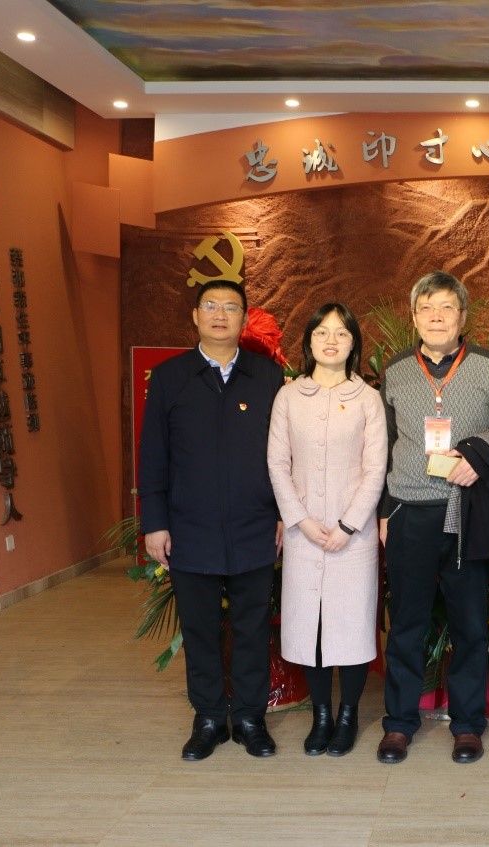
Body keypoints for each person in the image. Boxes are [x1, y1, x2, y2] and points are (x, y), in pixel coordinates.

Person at [138, 279, 286, 760]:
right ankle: (207, 718)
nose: (220, 315)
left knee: (252, 627)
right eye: (211, 306)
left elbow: (285, 455)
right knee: (200, 629)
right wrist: (154, 522)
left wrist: (283, 515)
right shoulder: (170, 377)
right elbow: (153, 455)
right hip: (190, 528)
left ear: (244, 319)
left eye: (231, 307)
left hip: (254, 525)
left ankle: (249, 718)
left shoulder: (267, 377)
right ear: (195, 316)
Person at [376, 270, 489, 765]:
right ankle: (399, 724)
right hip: (408, 512)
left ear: (462, 316)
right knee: (406, 623)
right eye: (427, 308)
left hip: (467, 512)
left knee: (471, 624)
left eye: (446, 308)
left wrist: (478, 460)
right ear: (414, 317)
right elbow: (382, 446)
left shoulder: (488, 367)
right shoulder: (395, 370)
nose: (436, 317)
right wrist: (384, 512)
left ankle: (468, 725)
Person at [267, 303, 387, 757]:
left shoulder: (368, 399)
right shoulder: (288, 397)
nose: (331, 340)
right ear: (309, 341)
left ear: (353, 342)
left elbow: (375, 468)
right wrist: (299, 518)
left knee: (351, 627)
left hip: (353, 536)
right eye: (322, 332)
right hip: (304, 533)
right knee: (310, 627)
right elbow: (277, 463)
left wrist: (349, 524)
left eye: (341, 333)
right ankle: (321, 716)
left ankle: (348, 715)